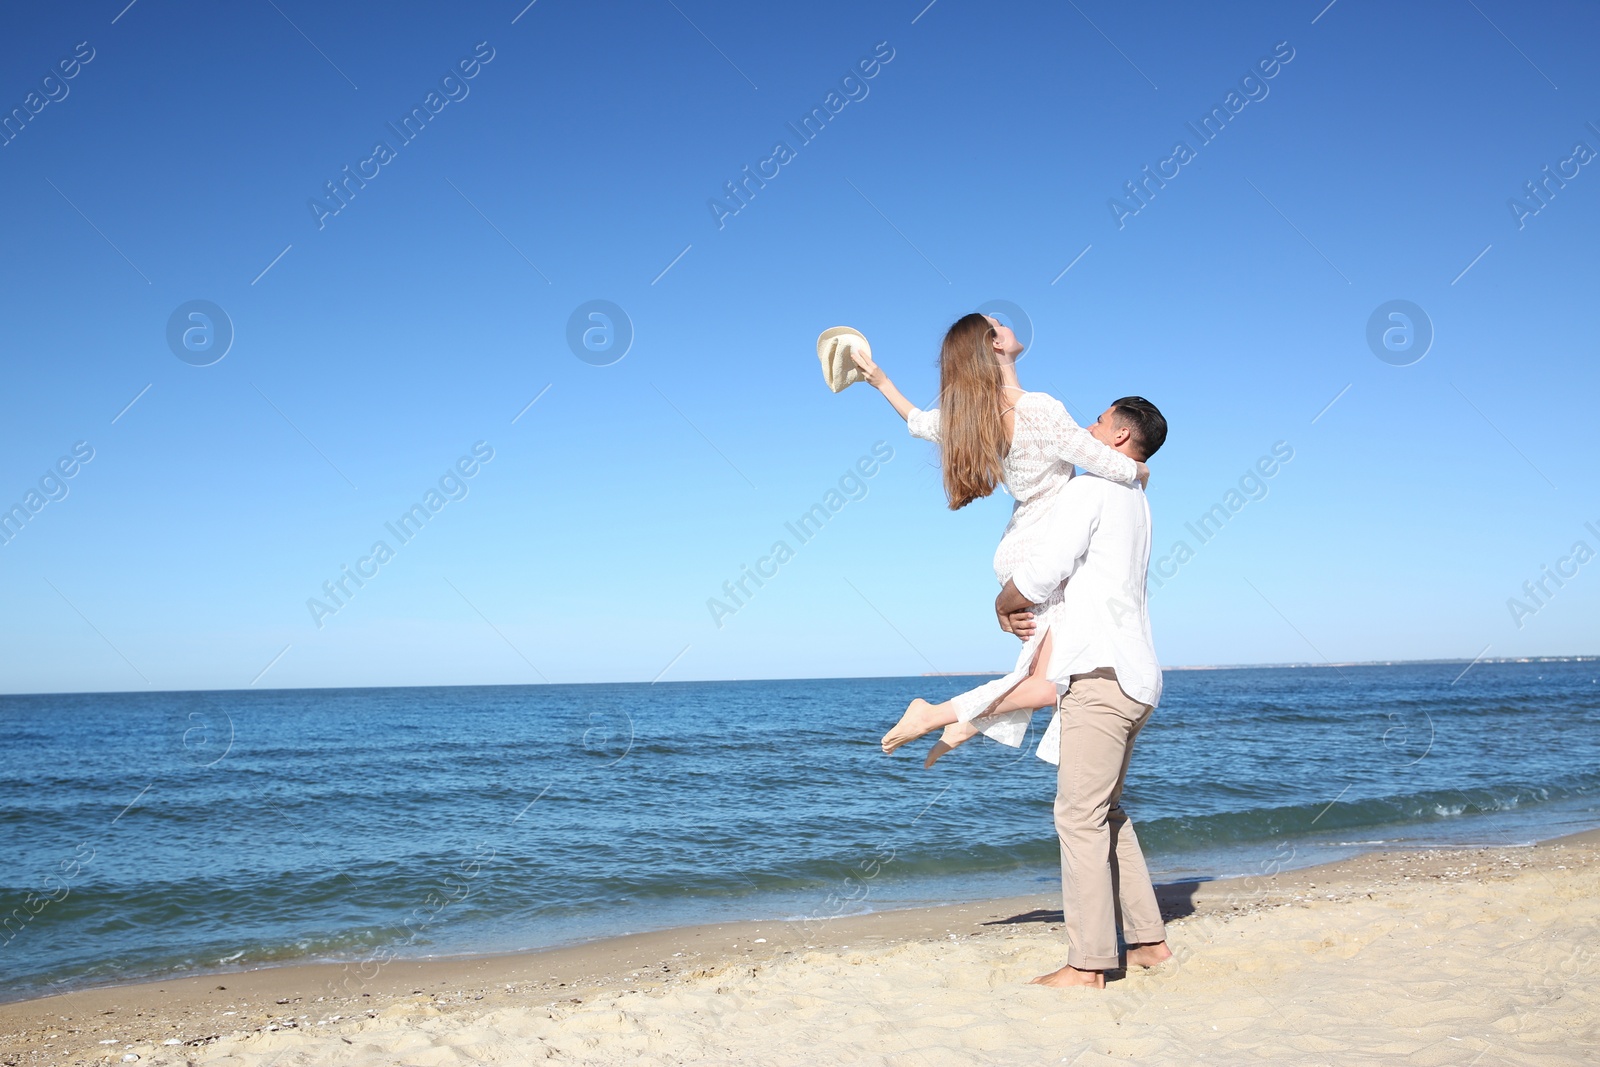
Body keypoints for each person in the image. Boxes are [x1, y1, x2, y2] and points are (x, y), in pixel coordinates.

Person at [849, 313, 1148, 767]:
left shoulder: (974, 418)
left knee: (1049, 676)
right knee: (1050, 683)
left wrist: (881, 381)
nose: (1009, 327)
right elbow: (1108, 462)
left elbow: (918, 422)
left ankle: (963, 723)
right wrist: (1142, 471)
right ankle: (935, 714)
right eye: (999, 325)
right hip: (1044, 551)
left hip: (1017, 546)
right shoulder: (1040, 408)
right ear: (994, 345)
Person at [994, 397, 1172, 988]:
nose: (1085, 431)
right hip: (1138, 679)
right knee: (1106, 812)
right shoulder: (1138, 503)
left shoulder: (1091, 491)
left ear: (1120, 437)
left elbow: (1044, 569)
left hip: (1100, 675)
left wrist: (1003, 603)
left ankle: (1089, 964)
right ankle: (1148, 943)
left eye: (1096, 423)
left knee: (1077, 817)